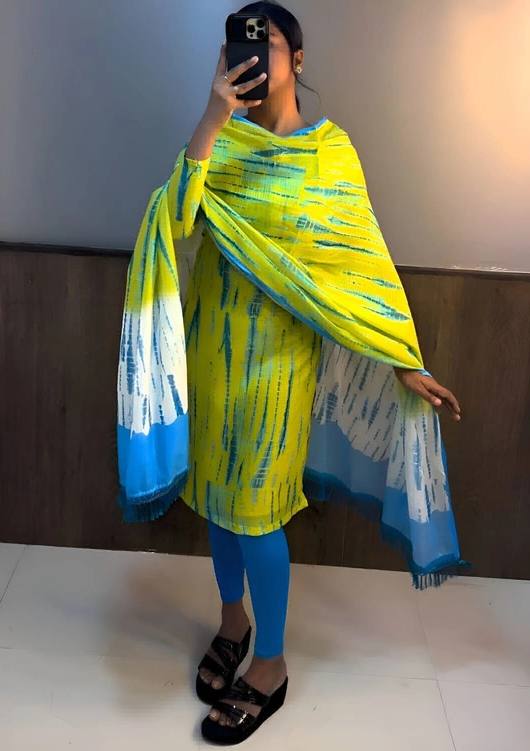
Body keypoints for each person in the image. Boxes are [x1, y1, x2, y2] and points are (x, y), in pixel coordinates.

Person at [116, 1, 462, 744]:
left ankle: (269, 664)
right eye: (236, 44)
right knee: (217, 500)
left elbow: (361, 265)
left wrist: (402, 357)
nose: (250, 55)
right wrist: (213, 118)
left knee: (259, 511)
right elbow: (176, 219)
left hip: (277, 365)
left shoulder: (329, 154)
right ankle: (232, 623)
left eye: (266, 42)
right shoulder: (223, 140)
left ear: (297, 60)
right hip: (210, 350)